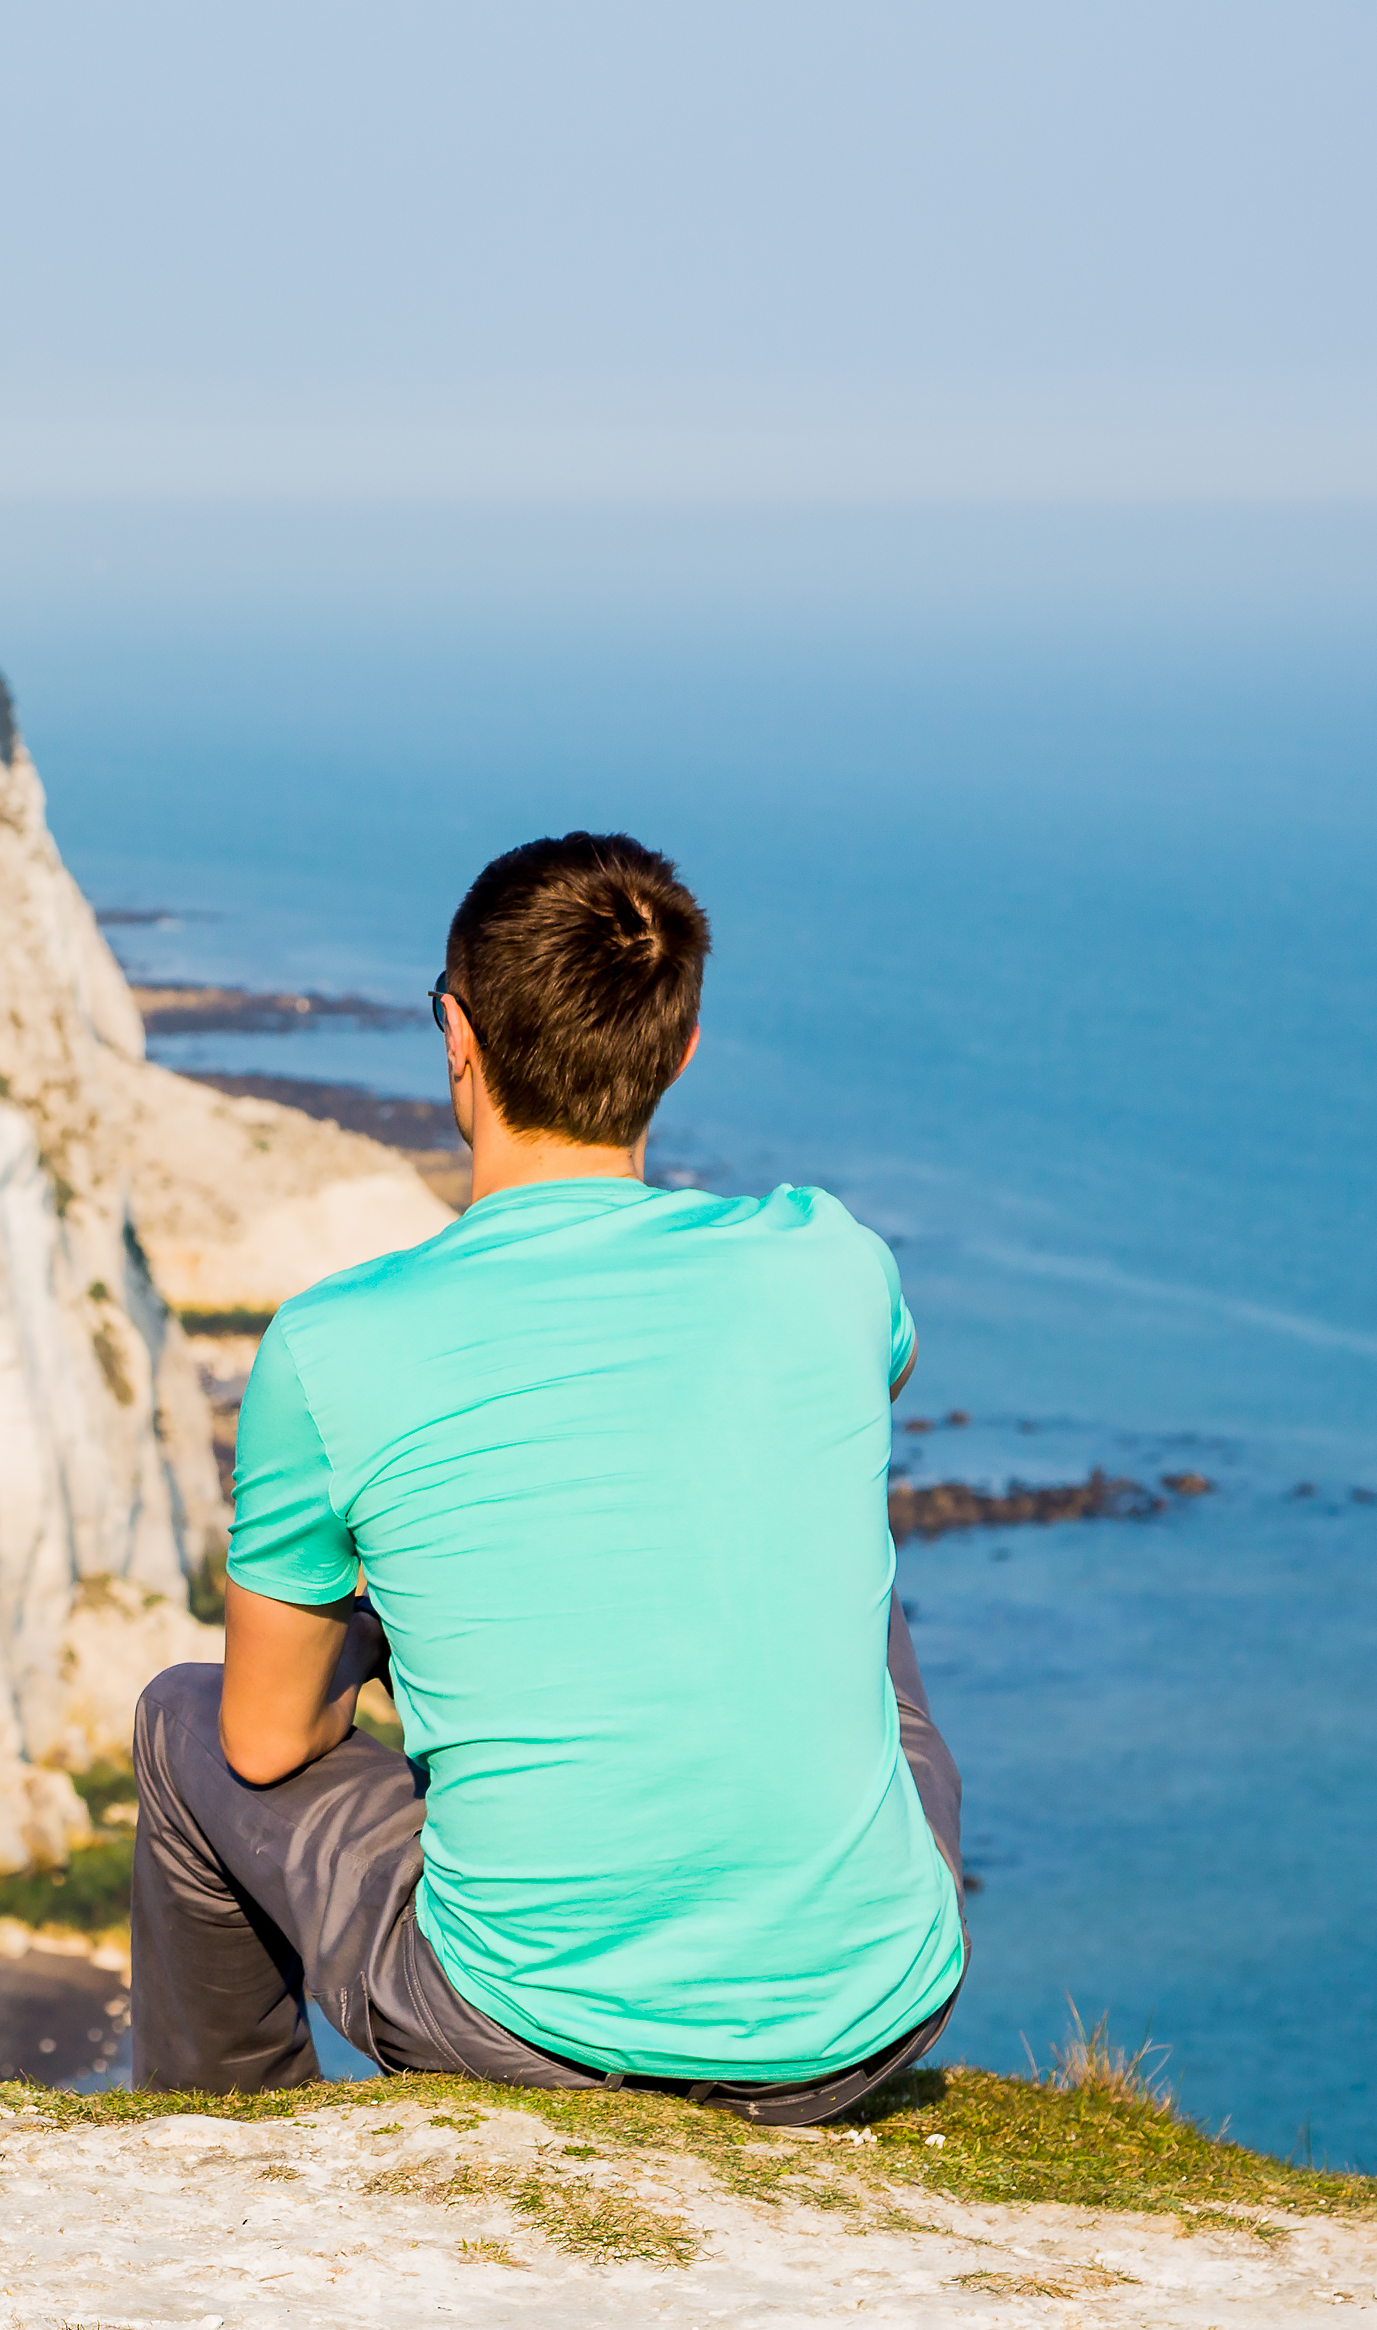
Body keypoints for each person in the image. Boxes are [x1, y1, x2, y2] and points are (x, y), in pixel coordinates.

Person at [131, 831, 966, 2122]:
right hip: (866, 2021)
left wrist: (384, 1630)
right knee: (841, 1550)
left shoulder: (336, 1345)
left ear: (456, 1039)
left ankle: (226, 2155)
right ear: (679, 1053)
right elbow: (831, 1419)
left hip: (529, 2034)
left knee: (182, 1721)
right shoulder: (829, 1261)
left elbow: (262, 1737)